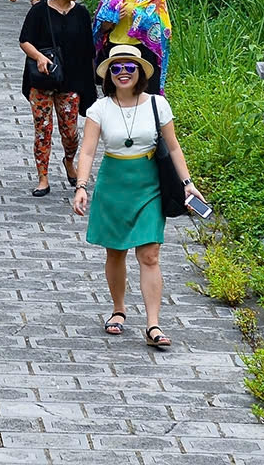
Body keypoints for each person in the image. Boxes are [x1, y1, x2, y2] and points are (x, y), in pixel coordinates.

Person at [72, 43, 206, 345]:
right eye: (116, 68)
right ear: (108, 74)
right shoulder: (100, 108)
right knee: (115, 251)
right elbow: (89, 151)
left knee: (150, 254)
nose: (123, 73)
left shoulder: (158, 105)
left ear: (140, 72)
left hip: (149, 184)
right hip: (113, 184)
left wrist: (187, 182)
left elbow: (173, 146)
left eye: (129, 68)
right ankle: (118, 310)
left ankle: (153, 325)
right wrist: (81, 186)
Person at [18, 0, 95, 196]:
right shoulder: (39, 11)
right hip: (42, 80)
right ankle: (43, 177)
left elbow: (87, 50)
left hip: (70, 81)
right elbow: (25, 40)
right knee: (43, 129)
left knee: (70, 132)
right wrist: (39, 57)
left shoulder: (81, 13)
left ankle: (69, 161)